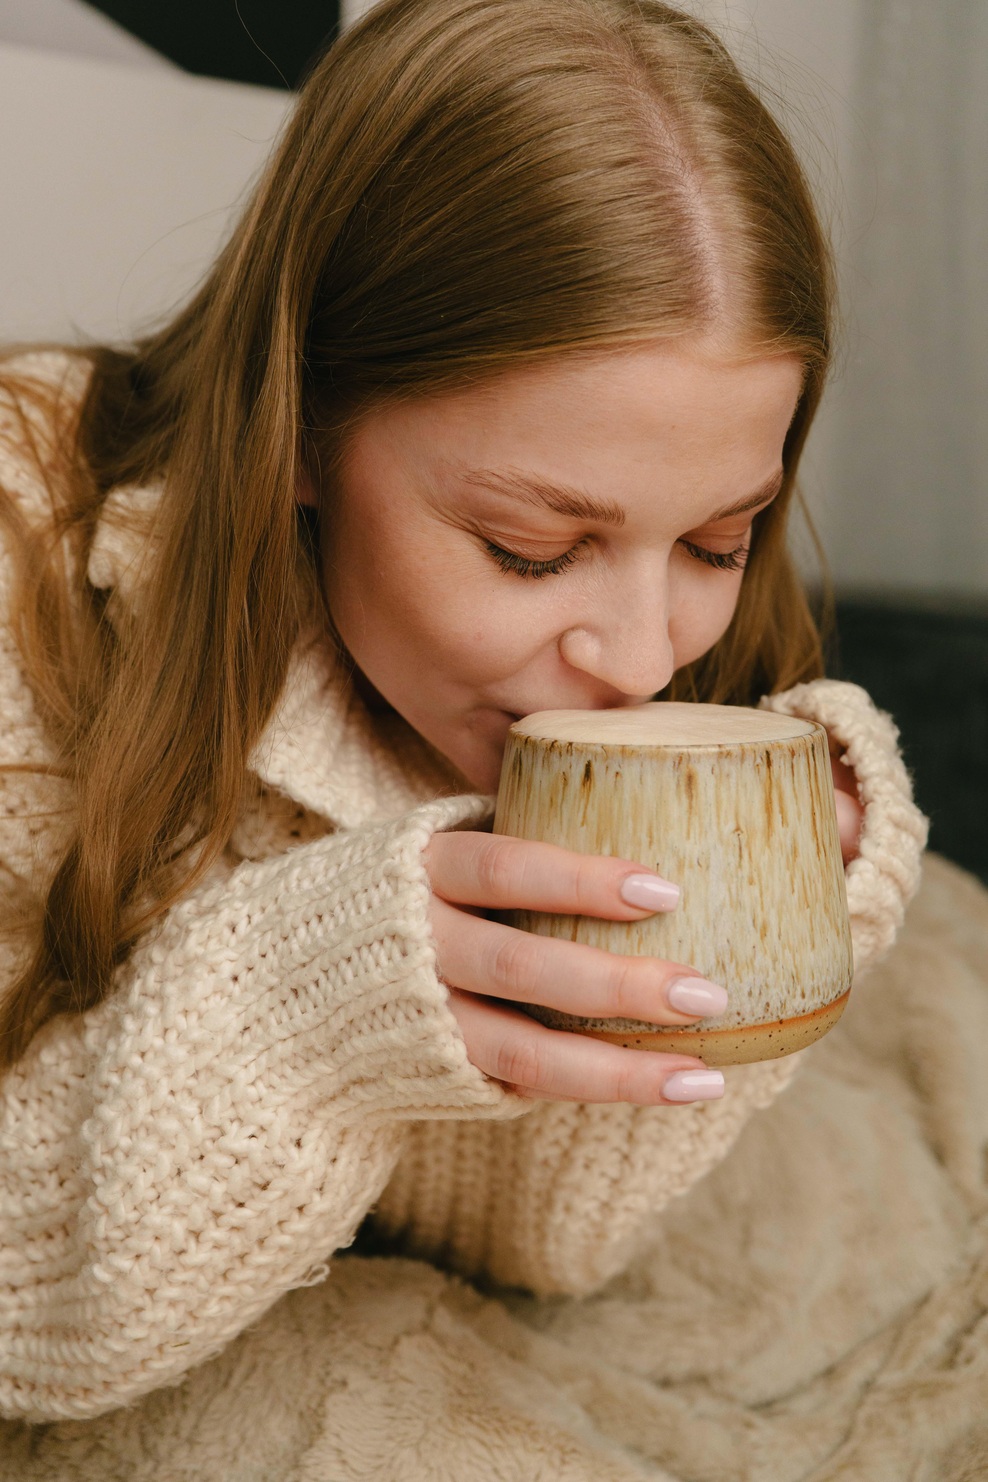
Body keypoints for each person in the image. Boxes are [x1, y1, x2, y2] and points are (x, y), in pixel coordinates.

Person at [0, 0, 926, 1434]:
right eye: (530, 546)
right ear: (300, 423)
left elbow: (544, 1245)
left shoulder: (697, 659)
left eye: (719, 539)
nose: (636, 661)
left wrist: (787, 916)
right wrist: (309, 1014)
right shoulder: (27, 563)